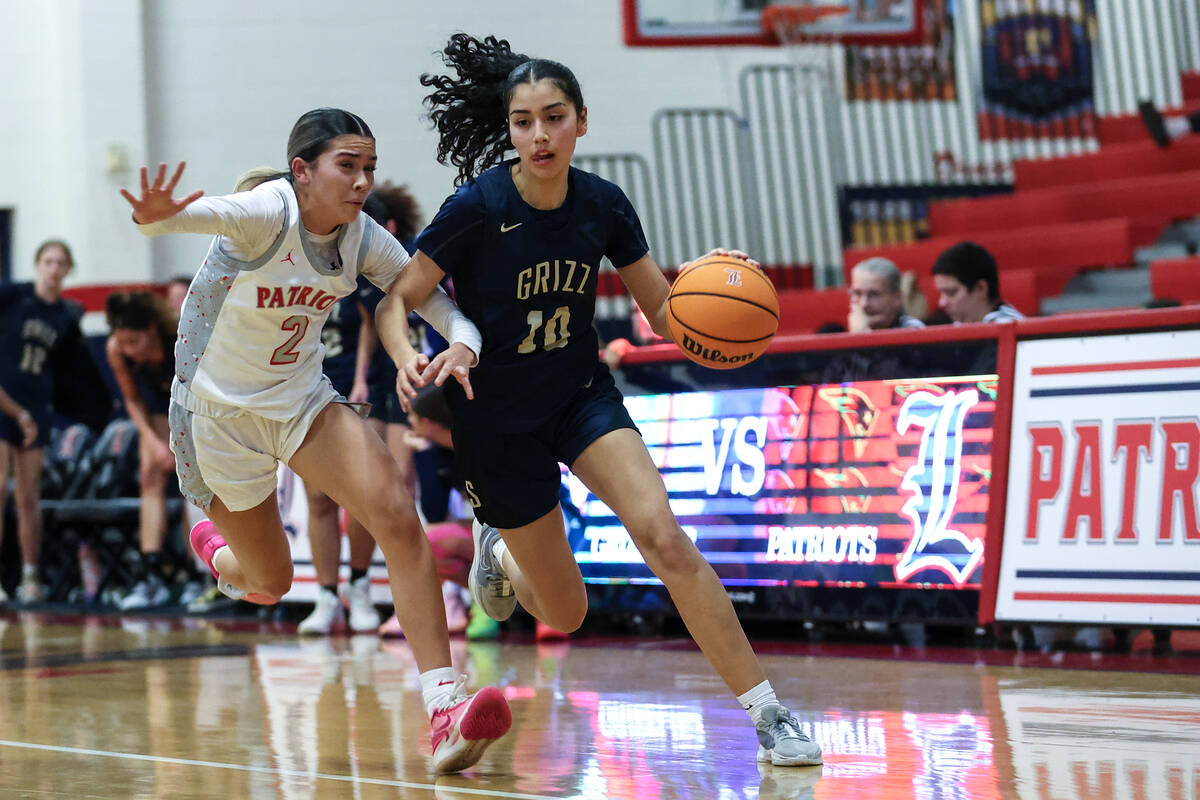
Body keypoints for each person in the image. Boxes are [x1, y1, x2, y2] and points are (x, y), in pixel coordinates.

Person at [385, 34, 821, 768]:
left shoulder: (603, 205)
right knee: (567, 611)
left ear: (580, 122)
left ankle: (769, 715)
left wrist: (724, 286)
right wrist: (405, 356)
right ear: (511, 130)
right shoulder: (479, 204)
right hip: (497, 421)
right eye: (523, 121)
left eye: (554, 117)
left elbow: (667, 312)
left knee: (665, 538)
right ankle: (499, 548)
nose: (539, 134)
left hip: (580, 396)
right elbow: (399, 297)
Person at [118, 107, 511, 774]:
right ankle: (220, 555)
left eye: (369, 168)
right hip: (216, 417)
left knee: (396, 514)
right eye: (347, 166)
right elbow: (184, 218)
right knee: (268, 582)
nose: (362, 181)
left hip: (301, 401)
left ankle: (444, 710)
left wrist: (466, 343)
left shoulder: (362, 237)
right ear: (302, 172)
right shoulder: (264, 212)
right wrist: (157, 215)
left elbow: (434, 301)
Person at [105, 291, 205, 609]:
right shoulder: (116, 349)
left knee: (192, 482)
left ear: (151, 330)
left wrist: (181, 445)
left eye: (135, 341)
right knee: (150, 474)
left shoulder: (182, 336)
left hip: (194, 407)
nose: (129, 351)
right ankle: (150, 575)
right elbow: (132, 400)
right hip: (156, 410)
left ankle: (197, 574)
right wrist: (151, 441)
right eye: (124, 343)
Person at [0, 241, 87, 605]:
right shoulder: (13, 299)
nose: (53, 268)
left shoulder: (67, 315)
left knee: (29, 499)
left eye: (60, 263)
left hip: (36, 408)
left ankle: (31, 577)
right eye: (48, 261)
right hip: (5, 403)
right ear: (36, 265)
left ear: (68, 270)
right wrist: (17, 412)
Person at [294, 284, 383, 636]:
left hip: (353, 387)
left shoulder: (350, 269)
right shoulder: (289, 272)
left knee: (361, 496)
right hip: (306, 390)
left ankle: (359, 586)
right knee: (317, 497)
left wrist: (362, 378)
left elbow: (370, 323)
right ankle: (326, 596)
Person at [930, 241, 1025, 324]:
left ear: (981, 288)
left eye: (951, 292)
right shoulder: (955, 325)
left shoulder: (1015, 330)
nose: (942, 303)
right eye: (941, 293)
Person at [846, 256, 925, 332]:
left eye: (874, 294)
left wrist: (860, 334)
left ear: (897, 298)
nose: (864, 304)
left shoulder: (913, 328)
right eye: (857, 293)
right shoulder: (837, 330)